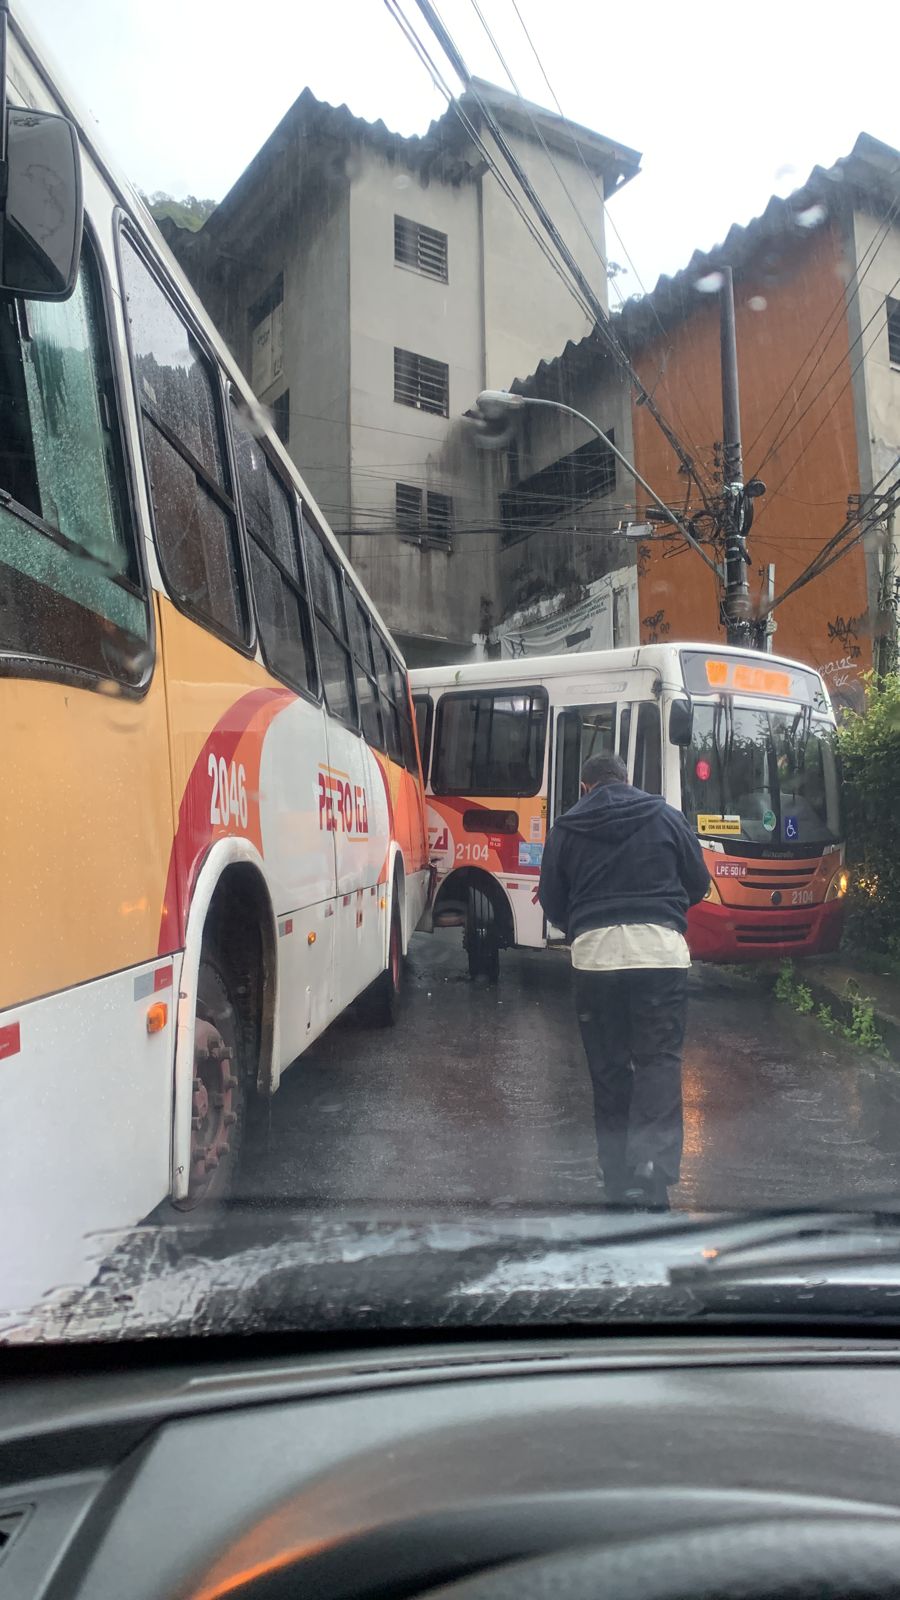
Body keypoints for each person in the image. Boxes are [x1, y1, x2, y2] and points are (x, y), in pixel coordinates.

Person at [538, 751, 710, 1210]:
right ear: (627, 780)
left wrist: (584, 919)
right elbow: (699, 883)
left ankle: (616, 1174)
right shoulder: (664, 815)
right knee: (658, 1060)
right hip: (660, 953)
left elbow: (552, 903)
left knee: (609, 1067)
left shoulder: (567, 827)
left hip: (596, 960)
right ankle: (651, 1164)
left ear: (584, 787)